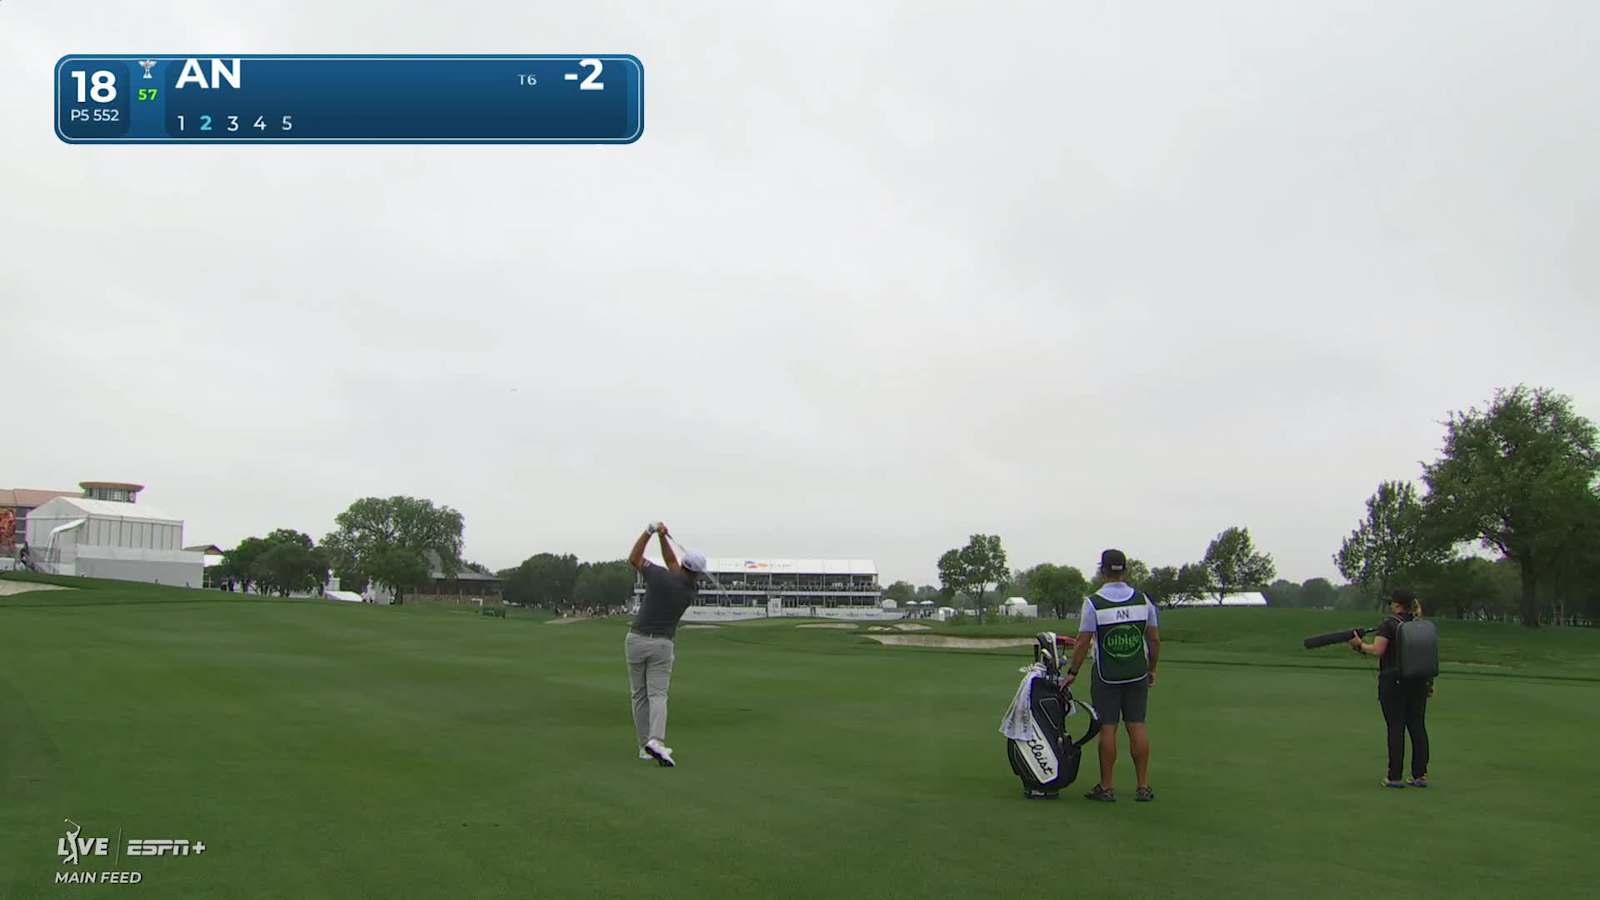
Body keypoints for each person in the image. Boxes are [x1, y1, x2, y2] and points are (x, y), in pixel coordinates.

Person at [1064, 549, 1161, 803]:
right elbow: (1154, 639)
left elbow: (1083, 642)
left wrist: (1073, 672)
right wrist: (1152, 668)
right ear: (1125, 570)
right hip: (1137, 672)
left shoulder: (1094, 603)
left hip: (1107, 675)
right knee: (1137, 725)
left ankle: (1106, 787)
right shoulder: (1143, 601)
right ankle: (1143, 786)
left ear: (1102, 570)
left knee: (1108, 728)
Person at [625, 521, 706, 767]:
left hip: (636, 639)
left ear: (683, 565)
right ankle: (656, 741)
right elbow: (673, 564)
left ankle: (643, 747)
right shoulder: (691, 590)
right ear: (698, 574)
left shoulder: (659, 576)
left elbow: (634, 557)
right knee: (658, 695)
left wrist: (650, 531)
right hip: (662, 645)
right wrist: (664, 538)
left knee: (639, 696)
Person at [1350, 589, 1432, 788]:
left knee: (1396, 727)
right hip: (1419, 681)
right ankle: (1419, 775)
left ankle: (1394, 776)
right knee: (1417, 726)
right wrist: (1429, 683)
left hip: (1394, 682)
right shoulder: (1420, 625)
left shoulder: (1389, 624)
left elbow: (1378, 650)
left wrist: (1360, 645)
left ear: (1396, 605)